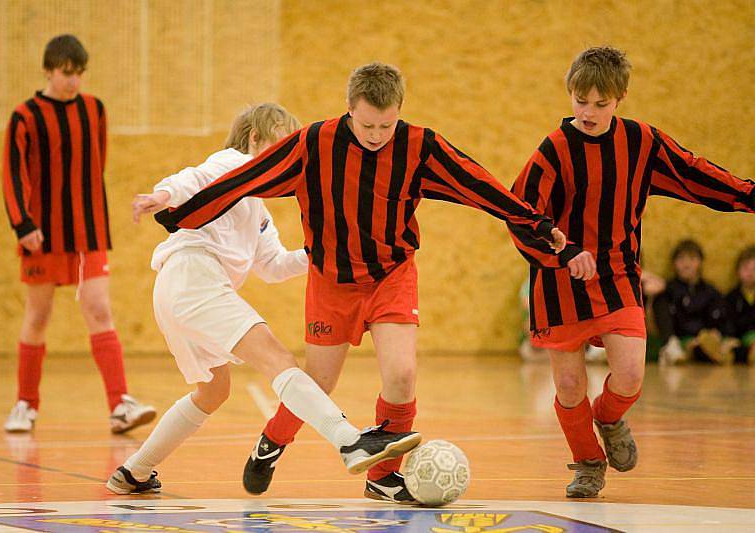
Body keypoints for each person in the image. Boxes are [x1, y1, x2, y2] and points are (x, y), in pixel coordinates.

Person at [154, 62, 588, 503]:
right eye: (367, 124)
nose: (377, 134)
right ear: (348, 110)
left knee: (401, 375)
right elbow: (244, 179)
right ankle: (272, 442)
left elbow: (478, 184)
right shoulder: (314, 143)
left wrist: (536, 222)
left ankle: (381, 477)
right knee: (318, 383)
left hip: (391, 274)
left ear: (400, 111)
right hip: (332, 281)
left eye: (387, 124)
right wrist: (178, 214)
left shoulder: (420, 146)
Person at [106, 103, 421, 495]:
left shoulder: (256, 204)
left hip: (177, 291)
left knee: (213, 391)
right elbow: (195, 178)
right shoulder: (232, 163)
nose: (288, 150)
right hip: (193, 277)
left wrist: (324, 250)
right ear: (255, 138)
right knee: (278, 360)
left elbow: (272, 266)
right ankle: (350, 440)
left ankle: (135, 471)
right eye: (281, 140)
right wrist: (163, 194)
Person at [510, 46, 755, 498]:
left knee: (630, 375)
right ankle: (587, 462)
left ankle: (607, 417)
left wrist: (748, 194)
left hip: (618, 275)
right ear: (570, 94)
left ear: (619, 98)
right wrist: (561, 253)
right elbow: (520, 214)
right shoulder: (554, 149)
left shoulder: (641, 142)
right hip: (559, 281)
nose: (588, 112)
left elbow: (694, 174)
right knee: (567, 383)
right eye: (580, 101)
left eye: (600, 104)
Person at [1, 34, 155, 434]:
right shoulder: (25, 115)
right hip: (42, 234)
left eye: (79, 74)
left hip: (89, 231)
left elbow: (96, 164)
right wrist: (23, 224)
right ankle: (25, 404)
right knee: (38, 315)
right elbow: (13, 173)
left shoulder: (94, 110)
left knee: (99, 310)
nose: (73, 82)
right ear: (49, 70)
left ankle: (119, 404)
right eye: (66, 74)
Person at [653, 240, 736, 365]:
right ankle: (674, 349)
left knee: (712, 342)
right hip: (679, 339)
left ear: (700, 262)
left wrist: (716, 334)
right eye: (681, 259)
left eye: (692, 259)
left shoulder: (711, 292)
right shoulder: (667, 290)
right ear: (674, 263)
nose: (686, 264)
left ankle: (707, 350)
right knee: (660, 299)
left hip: (705, 338)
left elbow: (720, 319)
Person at [724, 246, 755, 365]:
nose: (750, 273)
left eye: (754, 269)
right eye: (746, 268)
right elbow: (727, 320)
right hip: (738, 338)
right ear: (738, 271)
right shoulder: (732, 297)